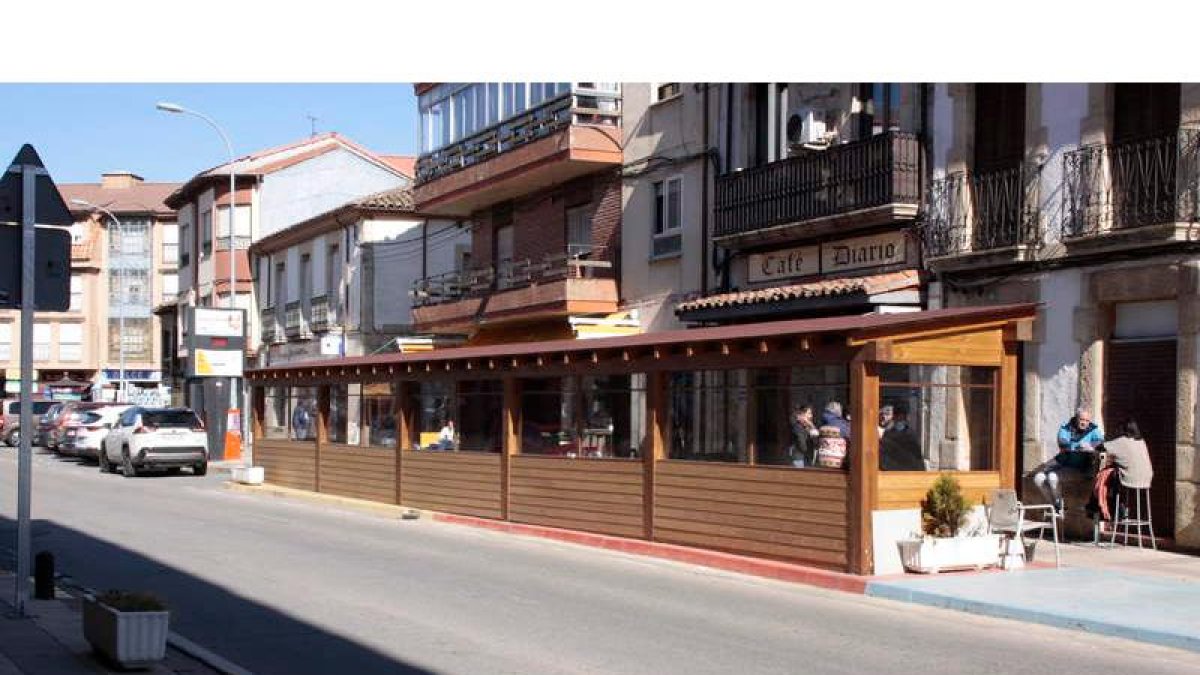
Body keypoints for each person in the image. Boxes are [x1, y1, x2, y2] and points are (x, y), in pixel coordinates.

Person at [1033, 407, 1104, 514]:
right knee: (1038, 478)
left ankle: (1058, 506)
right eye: (1082, 419)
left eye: (1087, 420)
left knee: (1052, 477)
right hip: (1062, 463)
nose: (1084, 423)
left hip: (1079, 468)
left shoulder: (1093, 430)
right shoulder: (1066, 428)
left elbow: (1101, 443)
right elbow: (1063, 444)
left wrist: (1091, 446)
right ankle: (1055, 505)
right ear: (1076, 418)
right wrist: (1077, 447)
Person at [1089, 418, 1154, 525]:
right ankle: (1121, 507)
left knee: (1104, 475)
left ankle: (1110, 509)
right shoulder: (1141, 441)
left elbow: (1101, 447)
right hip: (1146, 479)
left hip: (1130, 479)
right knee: (1114, 475)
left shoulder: (1121, 441)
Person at [879, 402, 925, 471]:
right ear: (894, 417)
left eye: (902, 417)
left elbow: (916, 458)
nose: (899, 419)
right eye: (897, 417)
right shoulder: (888, 434)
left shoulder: (911, 435)